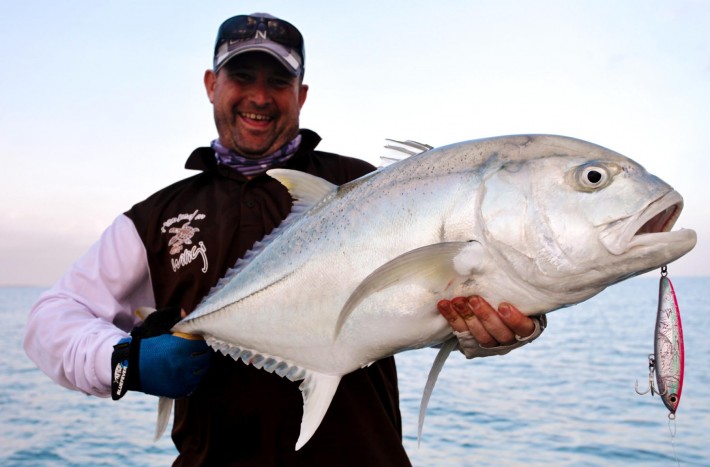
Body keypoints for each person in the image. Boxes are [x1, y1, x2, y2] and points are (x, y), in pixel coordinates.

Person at [24, 13, 545, 466]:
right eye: (241, 76)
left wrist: (481, 331)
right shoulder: (158, 216)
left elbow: (428, 306)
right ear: (211, 84)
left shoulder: (366, 187)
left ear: (301, 94)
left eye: (277, 80)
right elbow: (52, 318)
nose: (258, 96)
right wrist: (125, 363)